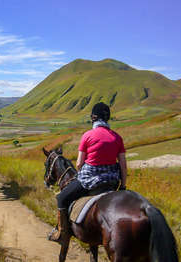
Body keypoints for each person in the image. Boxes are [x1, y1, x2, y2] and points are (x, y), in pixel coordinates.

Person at [48, 102, 127, 243]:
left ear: (93, 118)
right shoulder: (117, 137)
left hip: (89, 180)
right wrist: (123, 186)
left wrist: (82, 175)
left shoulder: (87, 135)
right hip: (112, 182)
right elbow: (123, 166)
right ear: (107, 118)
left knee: (61, 198)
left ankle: (62, 233)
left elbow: (79, 163)